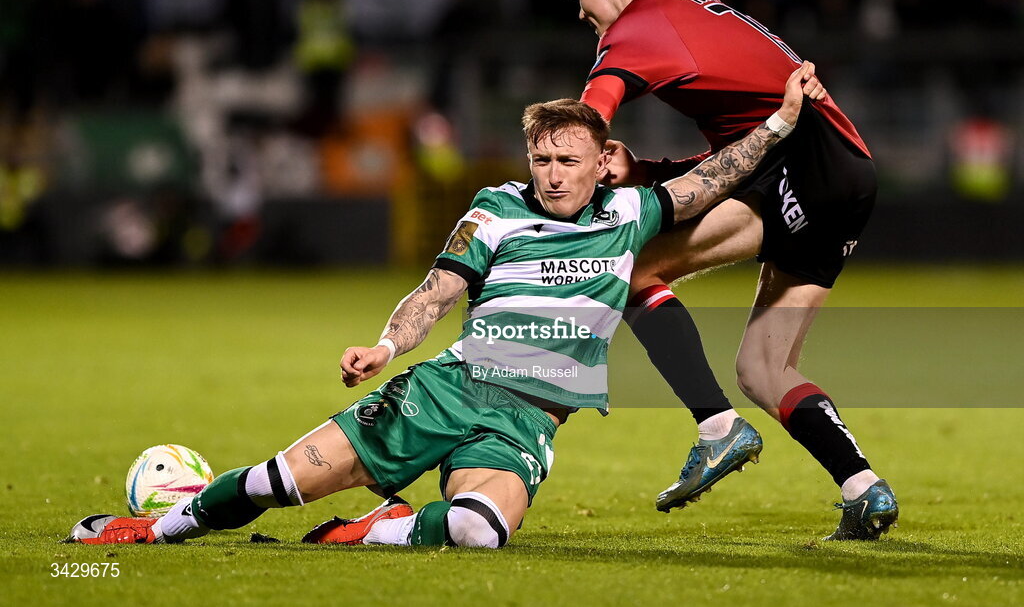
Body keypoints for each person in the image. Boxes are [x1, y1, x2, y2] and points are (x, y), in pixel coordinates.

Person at [67, 64, 816, 549]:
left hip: (526, 418)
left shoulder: (632, 214)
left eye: (568, 160)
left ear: (601, 160)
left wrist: (782, 121)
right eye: (542, 160)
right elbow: (436, 291)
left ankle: (373, 529)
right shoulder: (495, 210)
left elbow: (716, 175)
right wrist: (388, 348)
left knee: (478, 529)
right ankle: (149, 529)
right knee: (277, 481)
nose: (553, 175)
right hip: (444, 390)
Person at [557, 0, 897, 540]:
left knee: (628, 268)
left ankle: (716, 427)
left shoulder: (632, 30)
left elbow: (584, 122)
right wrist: (648, 169)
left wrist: (549, 188)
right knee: (764, 370)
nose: (582, 14)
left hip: (797, 162)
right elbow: (745, 149)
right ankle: (865, 489)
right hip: (843, 171)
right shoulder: (692, 7)